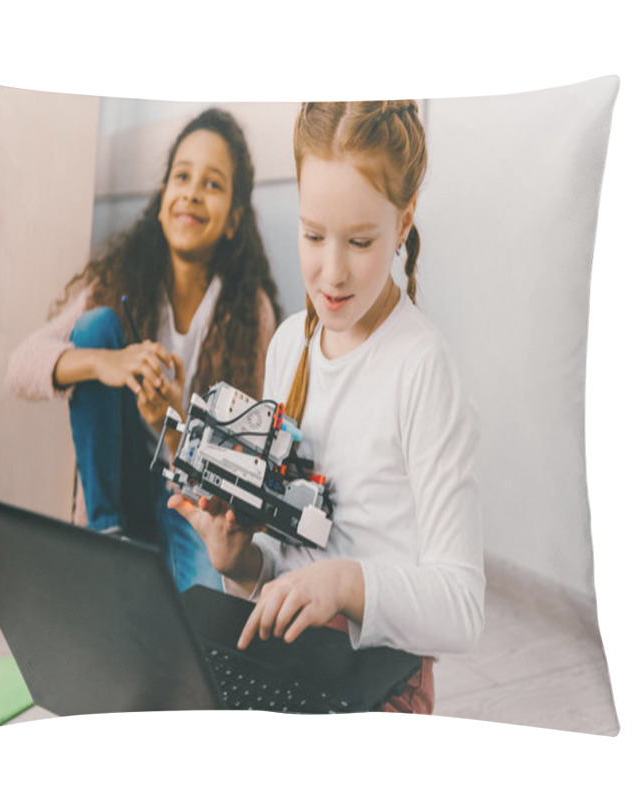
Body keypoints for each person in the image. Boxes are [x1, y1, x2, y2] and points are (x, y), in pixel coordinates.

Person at [168, 101, 485, 713]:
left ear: (404, 221)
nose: (331, 273)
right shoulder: (290, 345)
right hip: (286, 655)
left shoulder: (421, 368)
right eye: (313, 235)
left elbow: (462, 606)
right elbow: (291, 561)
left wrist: (347, 583)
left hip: (379, 683)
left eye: (361, 241)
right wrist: (240, 563)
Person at [6, 108, 281, 593]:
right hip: (119, 497)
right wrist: (108, 363)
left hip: (191, 505)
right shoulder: (118, 281)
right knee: (94, 328)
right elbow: (20, 366)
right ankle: (104, 538)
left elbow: (251, 461)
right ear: (162, 202)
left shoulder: (250, 314)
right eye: (181, 176)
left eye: (213, 184)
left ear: (235, 217)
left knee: (204, 624)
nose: (192, 191)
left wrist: (176, 421)